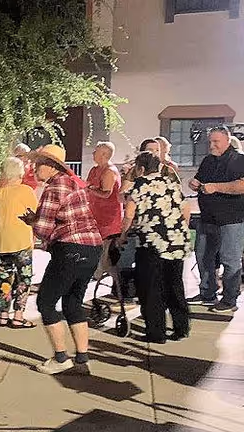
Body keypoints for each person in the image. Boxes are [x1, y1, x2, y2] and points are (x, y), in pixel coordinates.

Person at [20, 145, 103, 375]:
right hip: (93, 246)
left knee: (45, 302)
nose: (34, 168)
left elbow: (44, 229)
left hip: (70, 249)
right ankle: (82, 358)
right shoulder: (74, 182)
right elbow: (69, 216)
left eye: (38, 164)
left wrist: (32, 222)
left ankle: (60, 358)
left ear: (49, 166)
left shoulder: (54, 187)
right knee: (73, 302)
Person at [120, 151, 192, 342]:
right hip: (176, 241)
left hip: (152, 243)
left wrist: (123, 236)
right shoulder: (171, 184)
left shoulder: (139, 186)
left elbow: (129, 214)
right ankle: (181, 327)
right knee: (174, 284)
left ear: (140, 168)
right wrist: (177, 228)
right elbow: (186, 209)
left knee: (151, 288)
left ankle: (156, 332)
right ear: (159, 167)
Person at [188, 126, 244, 312]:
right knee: (203, 256)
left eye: (216, 142)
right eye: (210, 141)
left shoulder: (239, 160)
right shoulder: (208, 161)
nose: (212, 145)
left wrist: (216, 187)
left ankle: (229, 299)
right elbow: (200, 180)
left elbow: (241, 186)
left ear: (227, 141)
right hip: (208, 218)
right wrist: (194, 183)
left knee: (230, 259)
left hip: (232, 219)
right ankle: (207, 292)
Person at [0, 157, 38, 328]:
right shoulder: (25, 191)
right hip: (21, 241)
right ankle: (18, 315)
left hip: (1, 243)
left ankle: (3, 315)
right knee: (24, 279)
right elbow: (34, 215)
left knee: (5, 280)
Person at [85, 142, 123, 279]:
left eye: (96, 151)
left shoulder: (109, 171)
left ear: (104, 155)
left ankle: (99, 273)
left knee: (103, 248)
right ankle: (93, 271)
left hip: (108, 218)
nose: (93, 153)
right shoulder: (95, 170)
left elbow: (106, 193)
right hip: (95, 215)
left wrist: (90, 189)